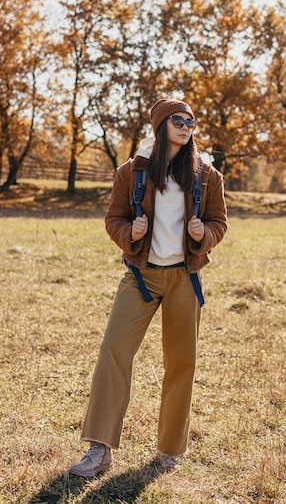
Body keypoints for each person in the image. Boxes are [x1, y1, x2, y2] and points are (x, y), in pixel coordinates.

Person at [69, 98, 228, 477]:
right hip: (140, 277)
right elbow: (114, 220)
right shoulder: (132, 171)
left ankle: (170, 450)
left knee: (181, 363)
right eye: (178, 120)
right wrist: (131, 233)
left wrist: (204, 233)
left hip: (184, 279)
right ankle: (100, 449)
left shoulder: (208, 175)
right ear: (160, 124)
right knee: (113, 351)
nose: (186, 126)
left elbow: (219, 222)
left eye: (191, 121)